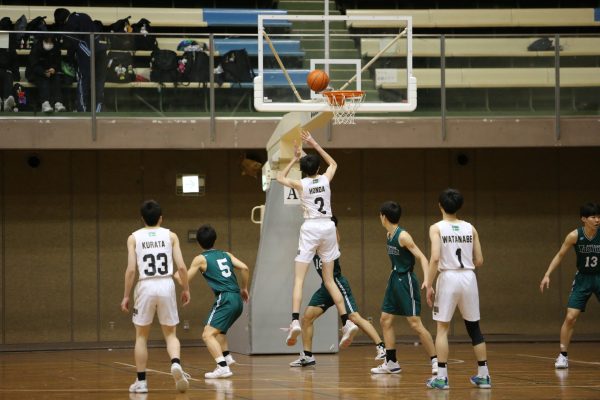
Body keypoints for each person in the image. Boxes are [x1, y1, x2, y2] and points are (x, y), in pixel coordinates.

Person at [276, 129, 359, 349]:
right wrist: (314, 143)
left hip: (311, 227)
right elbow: (334, 164)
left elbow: (279, 178)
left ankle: (295, 321)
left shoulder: (301, 184)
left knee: (299, 280)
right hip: (328, 227)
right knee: (329, 280)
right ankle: (346, 322)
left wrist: (294, 158)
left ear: (302, 171)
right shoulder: (325, 179)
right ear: (318, 169)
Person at [289, 216, 387, 368]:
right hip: (325, 288)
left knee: (354, 317)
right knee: (307, 318)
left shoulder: (331, 237)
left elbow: (334, 232)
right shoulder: (313, 241)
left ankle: (381, 347)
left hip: (338, 284)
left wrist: (329, 224)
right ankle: (307, 356)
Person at [120, 200, 191, 394]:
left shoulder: (133, 238)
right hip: (166, 284)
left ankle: (141, 382)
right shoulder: (171, 236)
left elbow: (131, 270)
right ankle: (175, 363)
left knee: (141, 336)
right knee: (171, 334)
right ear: (161, 218)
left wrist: (126, 295)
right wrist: (186, 288)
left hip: (145, 285)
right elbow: (182, 267)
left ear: (142, 218)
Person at [425, 188, 491, 390]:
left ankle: (442, 378)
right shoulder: (471, 228)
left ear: (440, 205)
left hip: (448, 277)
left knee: (442, 329)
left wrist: (428, 283)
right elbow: (479, 260)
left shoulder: (436, 228)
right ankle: (484, 375)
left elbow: (435, 257)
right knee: (474, 328)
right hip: (469, 277)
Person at [175, 224, 250, 379]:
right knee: (219, 331)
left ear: (198, 242)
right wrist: (244, 288)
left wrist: (176, 275)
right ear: (215, 239)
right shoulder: (226, 254)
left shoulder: (201, 259)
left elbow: (184, 280)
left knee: (207, 335)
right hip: (237, 298)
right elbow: (244, 268)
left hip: (225, 298)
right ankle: (227, 357)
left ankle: (222, 367)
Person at [372, 201, 438, 375]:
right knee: (385, 320)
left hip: (406, 280)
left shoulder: (403, 236)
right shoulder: (389, 234)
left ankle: (435, 361)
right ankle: (391, 362)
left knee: (415, 323)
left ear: (384, 217)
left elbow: (422, 258)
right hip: (394, 278)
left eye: (380, 215)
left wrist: (428, 281)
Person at [540, 202, 600, 369]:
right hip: (583, 279)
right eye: (593, 217)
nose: (597, 220)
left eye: (598, 216)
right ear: (584, 219)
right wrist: (547, 274)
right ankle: (563, 355)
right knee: (570, 317)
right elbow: (560, 255)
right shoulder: (574, 235)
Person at [53, 8, 107, 112]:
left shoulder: (69, 25)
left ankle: (82, 109)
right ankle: (98, 110)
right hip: (101, 50)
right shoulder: (84, 15)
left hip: (87, 52)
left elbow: (73, 44)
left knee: (83, 80)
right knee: (99, 82)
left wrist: (69, 59)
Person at [26, 35, 66, 113]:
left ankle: (58, 103)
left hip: (51, 72)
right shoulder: (36, 47)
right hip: (36, 72)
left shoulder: (56, 47)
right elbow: (34, 65)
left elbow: (58, 62)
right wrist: (43, 72)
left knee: (57, 78)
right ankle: (45, 103)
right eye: (48, 40)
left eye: (51, 40)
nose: (50, 41)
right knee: (44, 79)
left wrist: (54, 68)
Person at [0, 16, 19, 112]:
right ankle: (4, 100)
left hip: (7, 71)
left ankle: (6, 101)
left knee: (8, 74)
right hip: (3, 70)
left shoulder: (11, 42)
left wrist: (16, 74)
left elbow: (14, 59)